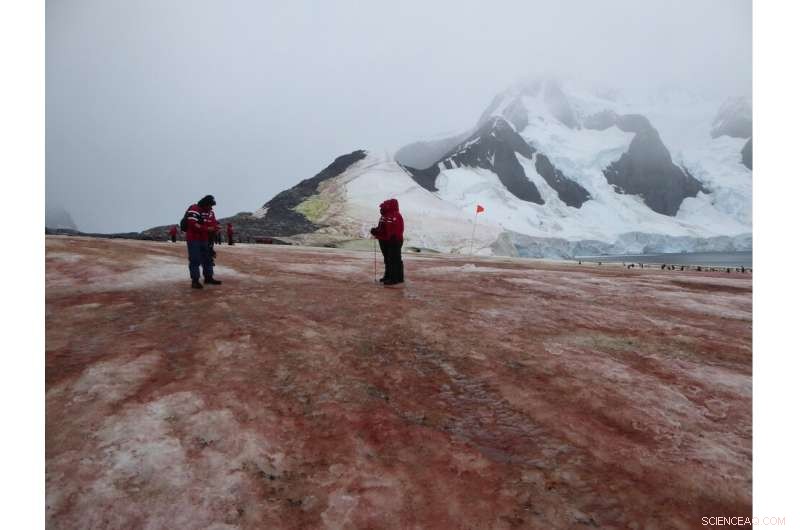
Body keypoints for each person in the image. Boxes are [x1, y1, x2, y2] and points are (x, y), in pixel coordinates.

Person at [184, 195, 222, 289]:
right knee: (195, 259)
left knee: (208, 258)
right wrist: (207, 229)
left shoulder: (211, 212)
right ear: (205, 204)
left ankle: (208, 277)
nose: (211, 207)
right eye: (210, 205)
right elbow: (193, 224)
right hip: (193, 239)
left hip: (205, 239)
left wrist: (215, 228)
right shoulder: (194, 209)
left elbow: (213, 223)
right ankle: (195, 281)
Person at [370, 198, 404, 285]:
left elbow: (396, 229)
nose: (381, 209)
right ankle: (390, 276)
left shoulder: (395, 216)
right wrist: (376, 231)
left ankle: (394, 278)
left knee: (393, 259)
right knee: (388, 259)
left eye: (383, 207)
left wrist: (393, 237)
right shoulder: (385, 216)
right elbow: (382, 229)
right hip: (385, 240)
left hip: (393, 241)